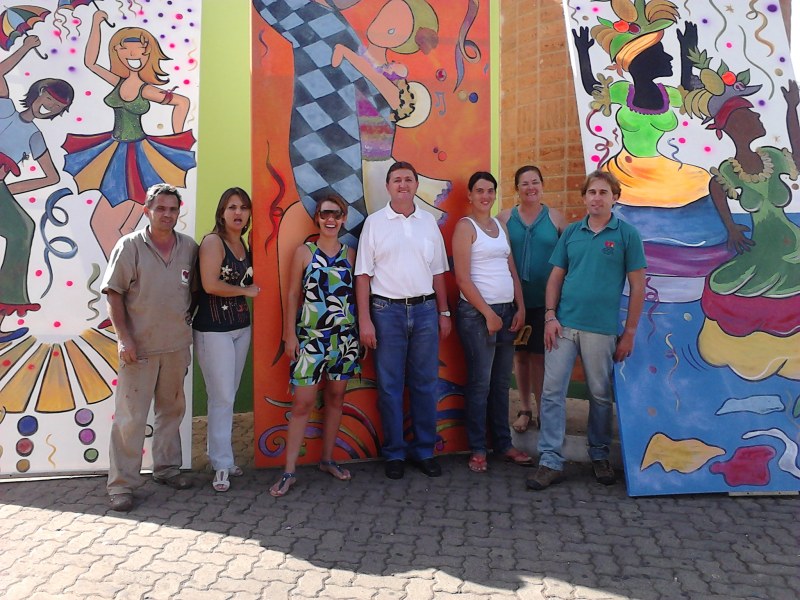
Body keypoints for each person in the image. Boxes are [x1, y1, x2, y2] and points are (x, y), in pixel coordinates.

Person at [527, 171, 646, 491]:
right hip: (563, 326)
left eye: (603, 192)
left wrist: (630, 332)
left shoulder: (627, 235)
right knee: (552, 392)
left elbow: (638, 286)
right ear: (584, 197)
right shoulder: (571, 233)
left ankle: (600, 454)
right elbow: (555, 277)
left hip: (601, 330)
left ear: (615, 198)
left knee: (600, 395)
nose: (597, 198)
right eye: (592, 192)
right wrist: (550, 317)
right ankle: (550, 459)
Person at [63, 12, 195, 259]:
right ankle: (135, 276)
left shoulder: (146, 89)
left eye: (140, 52)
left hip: (137, 158)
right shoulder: (117, 81)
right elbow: (90, 62)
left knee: (105, 225)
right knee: (124, 230)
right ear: (117, 53)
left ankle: (125, 277)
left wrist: (176, 140)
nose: (133, 56)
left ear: (148, 55)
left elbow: (181, 102)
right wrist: (96, 23)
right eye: (126, 51)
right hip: (116, 152)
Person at [102, 183, 199, 512]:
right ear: (147, 211)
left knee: (171, 412)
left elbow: (195, 291)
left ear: (178, 212)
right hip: (139, 349)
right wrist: (123, 338)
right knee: (130, 418)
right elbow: (113, 293)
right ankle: (121, 485)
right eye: (161, 209)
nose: (167, 214)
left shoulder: (188, 247)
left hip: (176, 346)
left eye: (173, 209)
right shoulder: (130, 246)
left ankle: (167, 469)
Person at [355, 161, 451, 480]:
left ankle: (424, 451)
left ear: (416, 185)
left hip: (425, 311)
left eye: (409, 179)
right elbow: (363, 275)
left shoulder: (429, 223)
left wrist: (444, 312)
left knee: (425, 384)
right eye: (397, 180)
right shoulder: (374, 223)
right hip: (386, 312)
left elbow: (438, 272)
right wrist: (365, 321)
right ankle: (394, 453)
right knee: (390, 386)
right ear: (388, 186)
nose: (403, 184)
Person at [272, 194, 360, 496]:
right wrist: (289, 334)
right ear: (317, 219)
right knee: (302, 404)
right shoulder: (304, 252)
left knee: (336, 398)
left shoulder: (351, 255)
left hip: (343, 340)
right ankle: (288, 471)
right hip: (310, 339)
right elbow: (292, 295)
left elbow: (358, 295)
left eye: (336, 214)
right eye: (325, 214)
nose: (330, 219)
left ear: (344, 218)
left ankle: (327, 459)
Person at [453, 171, 533, 473]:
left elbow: (511, 269)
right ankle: (477, 448)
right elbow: (462, 278)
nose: (485, 196)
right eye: (479, 190)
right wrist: (488, 314)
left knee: (500, 383)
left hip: (506, 313)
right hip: (477, 316)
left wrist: (520, 306)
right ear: (470, 195)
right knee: (480, 382)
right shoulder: (465, 228)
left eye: (490, 190)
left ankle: (503, 443)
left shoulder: (501, 226)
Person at [0, 35, 74, 343]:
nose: (49, 107)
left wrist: (11, 186)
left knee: (23, 229)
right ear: (38, 92)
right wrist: (26, 47)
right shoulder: (4, 106)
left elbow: (51, 177)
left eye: (56, 107)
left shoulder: (34, 135)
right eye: (48, 99)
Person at [193, 188, 260, 493]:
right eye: (232, 207)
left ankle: (222, 456)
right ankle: (221, 464)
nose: (238, 212)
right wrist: (246, 291)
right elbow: (210, 284)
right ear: (221, 212)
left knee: (228, 395)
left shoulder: (242, 243)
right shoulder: (213, 242)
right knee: (221, 397)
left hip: (240, 328)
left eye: (244, 207)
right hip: (213, 330)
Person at [498, 166, 567, 434]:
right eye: (524, 183)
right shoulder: (504, 218)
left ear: (542, 185)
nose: (530, 188)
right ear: (517, 188)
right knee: (521, 356)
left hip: (545, 302)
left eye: (535, 182)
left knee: (540, 357)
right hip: (515, 301)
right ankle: (525, 409)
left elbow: (569, 257)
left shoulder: (556, 218)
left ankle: (542, 412)